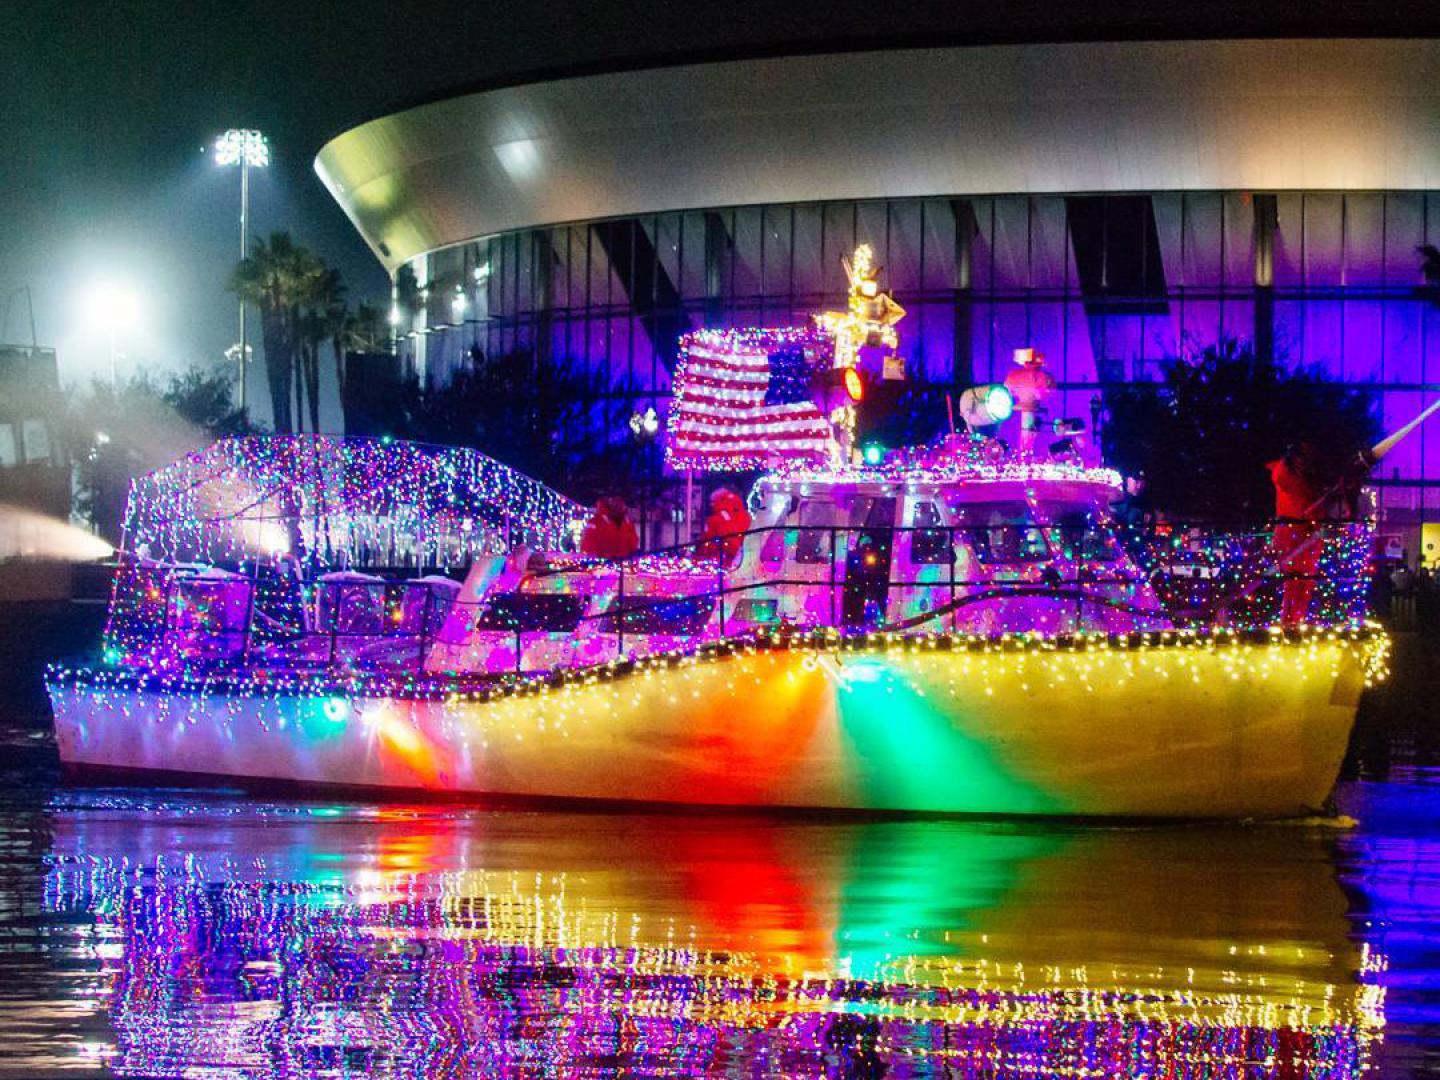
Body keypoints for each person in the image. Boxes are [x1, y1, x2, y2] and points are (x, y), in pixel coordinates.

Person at [1267, 442, 1323, 627]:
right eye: (1302, 457)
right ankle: (1288, 620)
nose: (1304, 462)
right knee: (1294, 578)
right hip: (1292, 531)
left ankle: (1295, 619)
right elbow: (1299, 501)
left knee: (1303, 580)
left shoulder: (1300, 477)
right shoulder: (1285, 474)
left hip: (1304, 532)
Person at [700, 487, 751, 565]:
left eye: (712, 502)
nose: (710, 505)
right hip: (745, 559)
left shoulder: (715, 519)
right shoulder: (747, 515)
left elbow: (707, 542)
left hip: (722, 561)